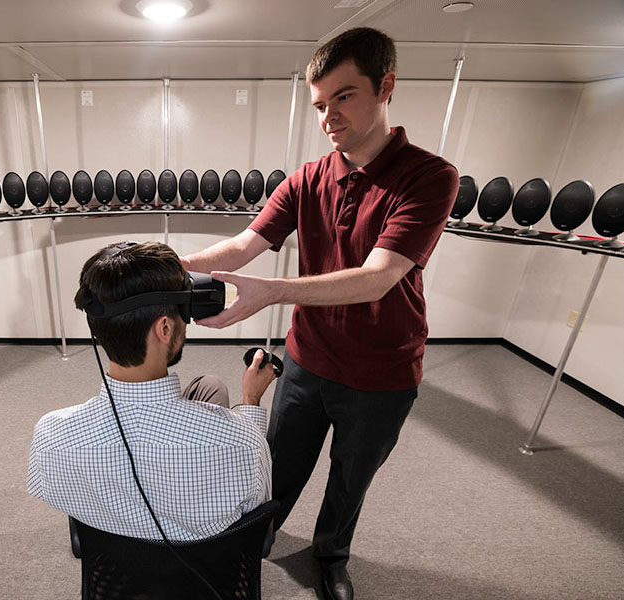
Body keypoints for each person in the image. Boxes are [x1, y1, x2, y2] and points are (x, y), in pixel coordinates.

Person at [180, 27, 459, 600]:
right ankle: (253, 542)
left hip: (383, 373)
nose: (329, 116)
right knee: (276, 468)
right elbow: (241, 247)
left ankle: (330, 557)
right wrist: (160, 263)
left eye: (344, 96)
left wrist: (275, 292)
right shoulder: (307, 178)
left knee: (349, 480)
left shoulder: (430, 177)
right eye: (320, 104)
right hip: (307, 361)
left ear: (386, 86)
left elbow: (378, 277)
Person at [27, 241, 277, 542]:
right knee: (213, 391)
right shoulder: (243, 442)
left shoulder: (49, 434)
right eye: (182, 314)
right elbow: (256, 525)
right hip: (202, 574)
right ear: (165, 329)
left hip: (116, 572)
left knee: (208, 386)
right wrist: (251, 401)